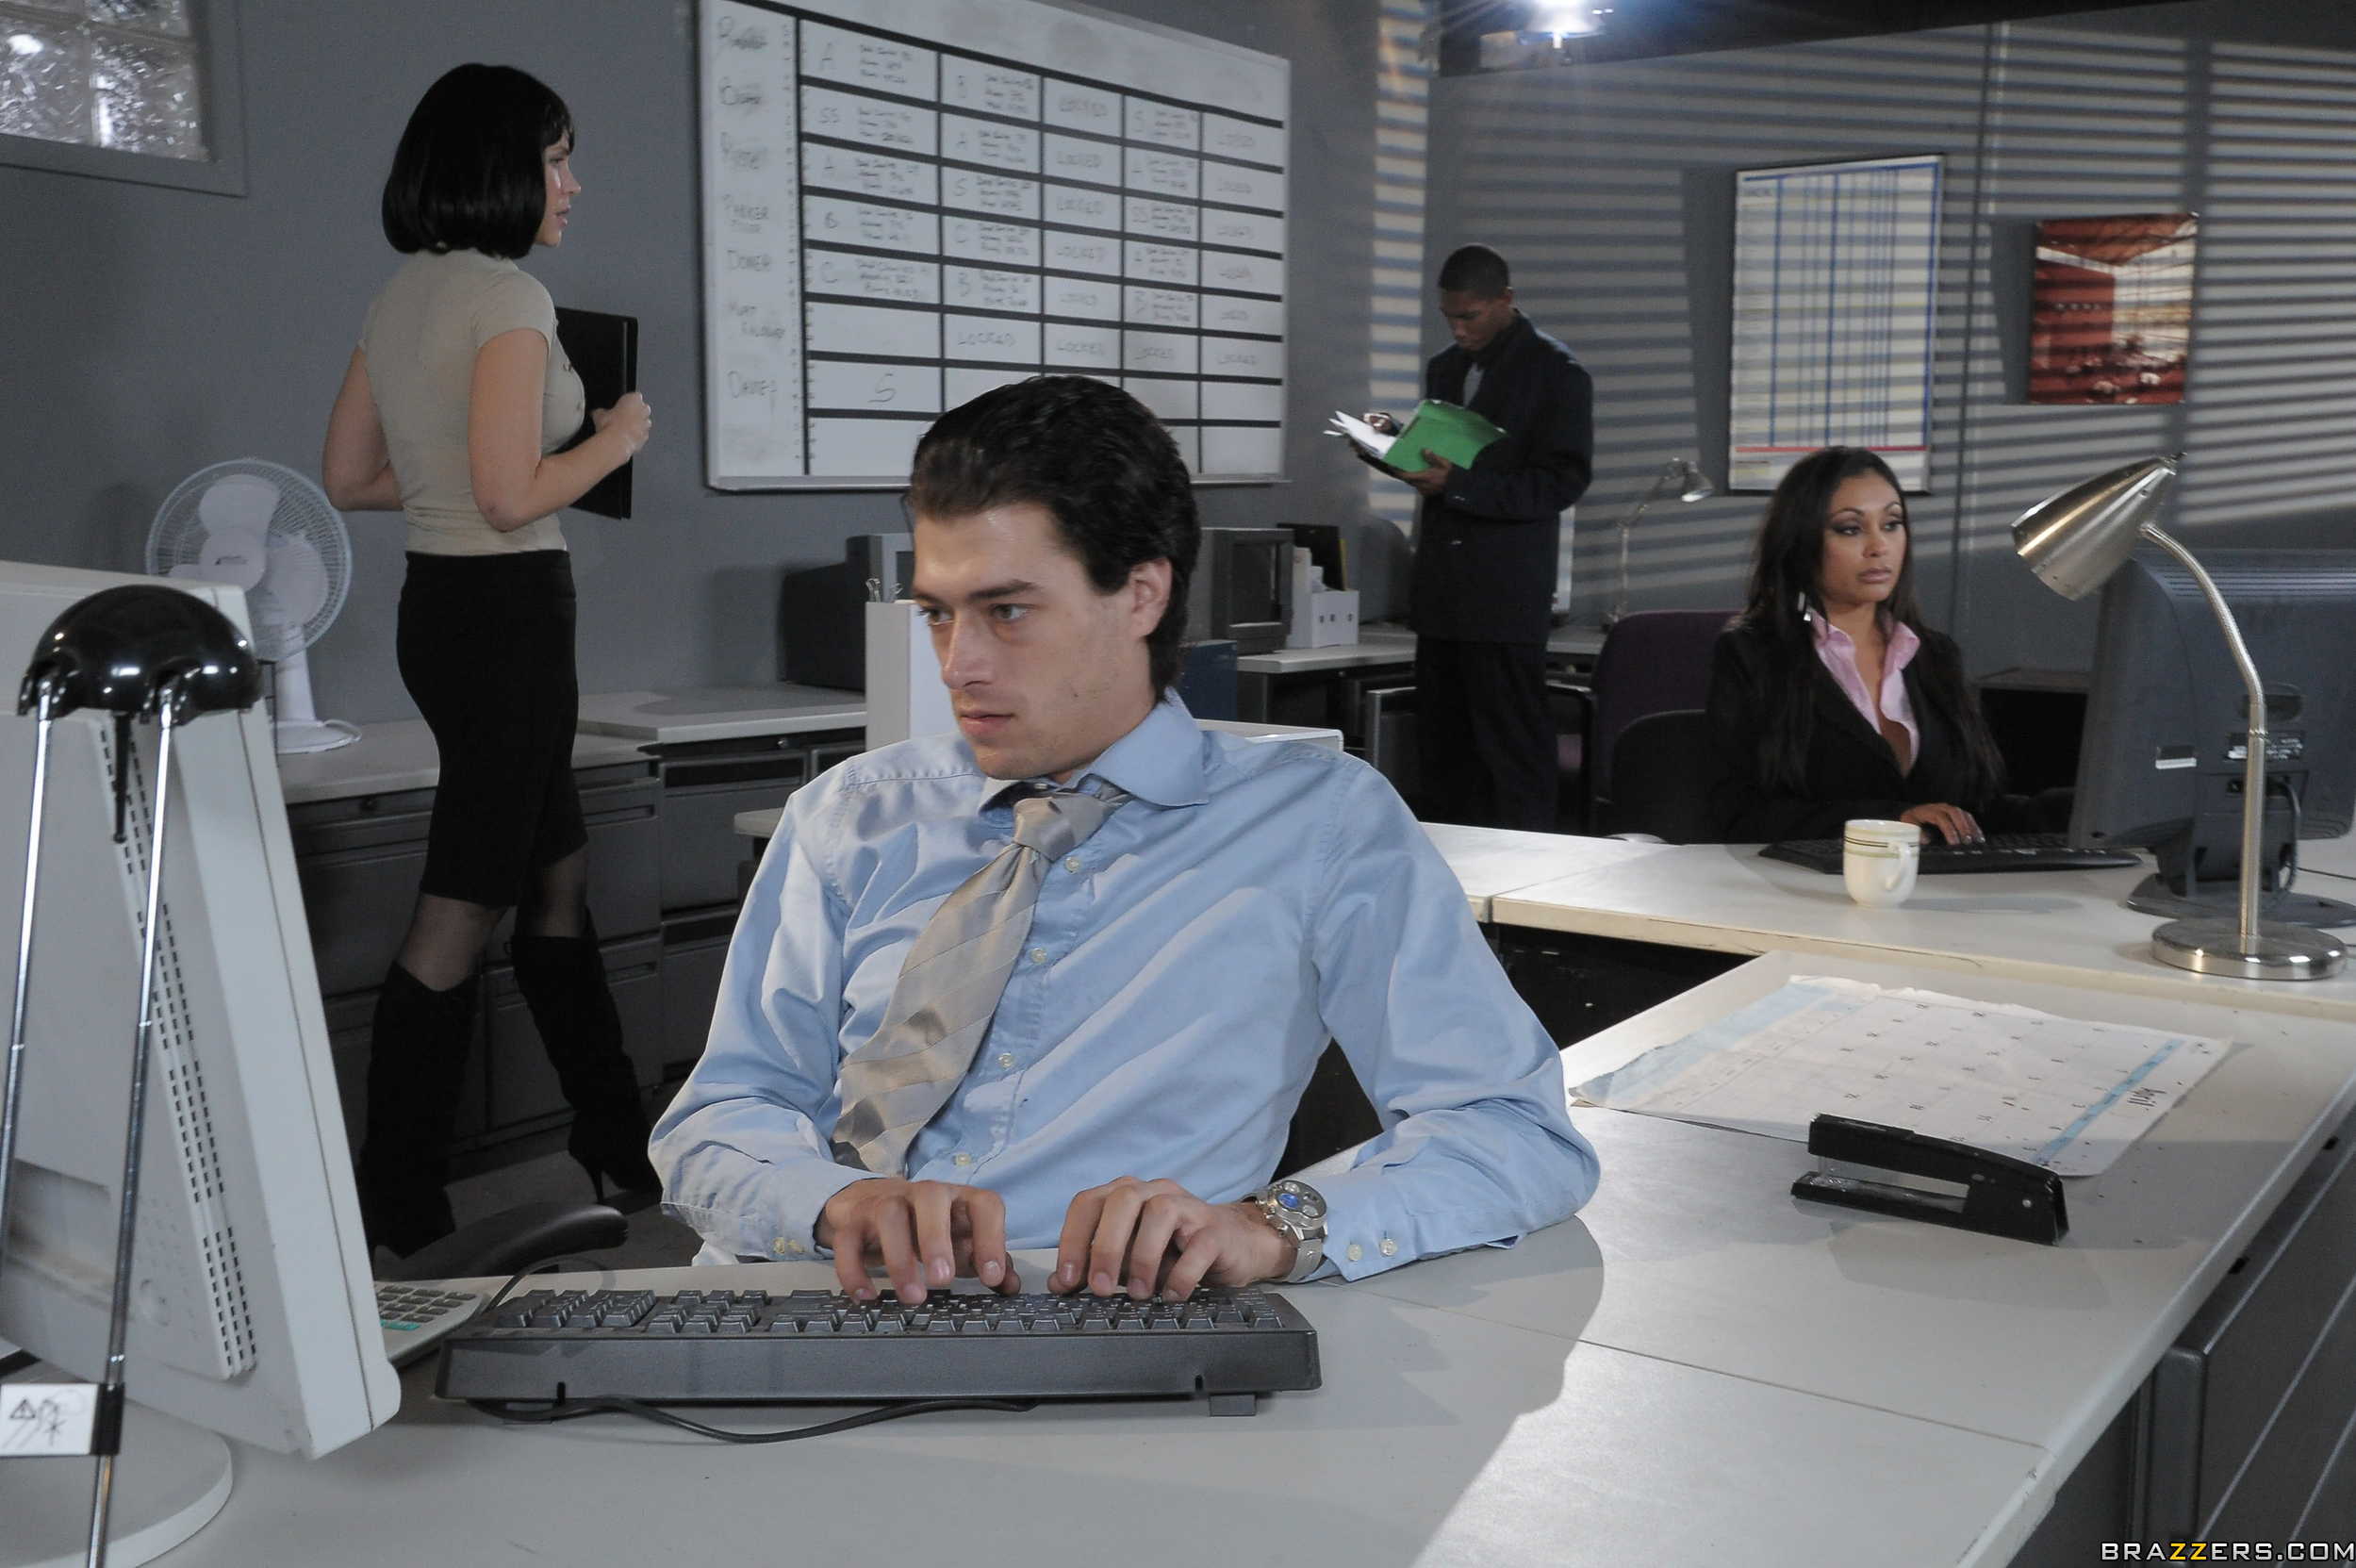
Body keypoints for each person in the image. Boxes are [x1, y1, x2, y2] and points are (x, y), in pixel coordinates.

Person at [652, 376, 1596, 1305]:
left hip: (1083, 1324)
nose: (957, 664)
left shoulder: (1318, 827)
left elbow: (1514, 1132)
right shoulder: (851, 815)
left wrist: (1277, 1227)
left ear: (1141, 594)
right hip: (791, 1302)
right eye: (937, 613)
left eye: (1006, 612)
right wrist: (833, 1203)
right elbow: (718, 1118)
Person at [321, 63, 656, 1258]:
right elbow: (513, 496)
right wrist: (615, 435)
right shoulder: (511, 298)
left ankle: (617, 1142)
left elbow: (349, 478)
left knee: (557, 873)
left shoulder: (399, 297)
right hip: (510, 614)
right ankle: (401, 1202)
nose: (573, 184)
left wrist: (454, 487)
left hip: (442, 609)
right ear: (499, 167)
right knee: (463, 902)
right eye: (557, 159)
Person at [1703, 446, 2056, 846]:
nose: (1879, 546)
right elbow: (1739, 816)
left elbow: (1975, 811)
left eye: (1891, 524)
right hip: (1809, 881)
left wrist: (2079, 812)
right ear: (1800, 542)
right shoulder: (1753, 654)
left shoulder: (1936, 655)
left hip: (1936, 882)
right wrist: (1892, 822)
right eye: (1850, 529)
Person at [1363, 244, 1593, 832]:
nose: (1459, 330)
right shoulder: (1445, 367)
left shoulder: (1556, 372)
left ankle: (1530, 873)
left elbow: (1560, 483)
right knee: (1442, 755)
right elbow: (1443, 454)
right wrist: (1392, 442)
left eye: (1470, 316)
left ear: (1506, 300)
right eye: (1450, 317)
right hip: (1442, 593)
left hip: (1504, 596)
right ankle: (1449, 870)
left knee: (1512, 758)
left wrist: (1461, 486)